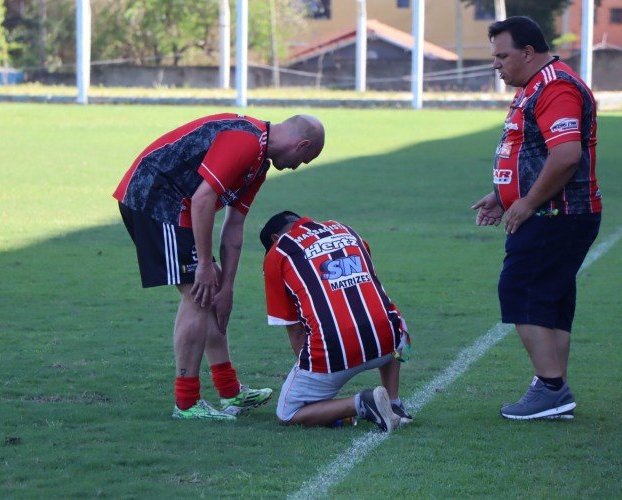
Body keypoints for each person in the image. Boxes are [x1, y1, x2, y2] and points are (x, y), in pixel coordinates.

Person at [114, 113, 325, 421]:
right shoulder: (246, 140)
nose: (298, 166)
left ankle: (230, 392)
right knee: (198, 295)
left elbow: (234, 226)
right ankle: (186, 403)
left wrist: (227, 287)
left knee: (210, 292)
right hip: (155, 198)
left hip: (179, 205)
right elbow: (202, 200)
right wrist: (202, 264)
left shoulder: (259, 165)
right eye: (305, 158)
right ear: (301, 144)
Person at [471, 16, 601, 420]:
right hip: (555, 212)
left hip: (555, 214)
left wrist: (525, 202)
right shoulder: (536, 85)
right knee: (551, 299)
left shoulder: (555, 86)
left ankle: (550, 388)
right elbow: (535, 153)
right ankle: (553, 385)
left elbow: (565, 156)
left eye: (503, 55)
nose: (497, 64)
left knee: (520, 292)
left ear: (528, 52)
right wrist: (502, 194)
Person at [259, 211, 412, 432]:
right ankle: (395, 403)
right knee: (387, 316)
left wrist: (312, 376)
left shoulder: (278, 251)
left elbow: (295, 331)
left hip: (335, 349)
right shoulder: (344, 228)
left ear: (274, 239)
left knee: (287, 414)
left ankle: (362, 403)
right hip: (389, 343)